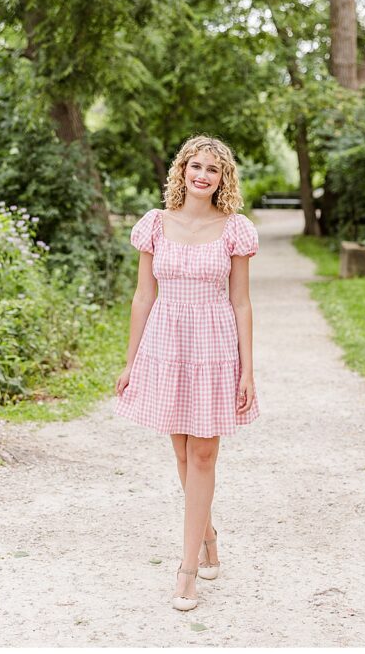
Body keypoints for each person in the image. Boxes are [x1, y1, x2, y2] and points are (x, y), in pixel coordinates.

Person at [114, 134, 259, 611]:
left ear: (223, 179)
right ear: (182, 170)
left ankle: (187, 569)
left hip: (215, 344)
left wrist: (248, 371)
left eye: (212, 170)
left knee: (202, 456)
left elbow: (241, 301)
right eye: (195, 166)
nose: (202, 175)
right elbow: (142, 297)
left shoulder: (235, 229)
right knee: (180, 452)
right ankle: (210, 535)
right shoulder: (155, 225)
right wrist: (131, 361)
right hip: (166, 343)